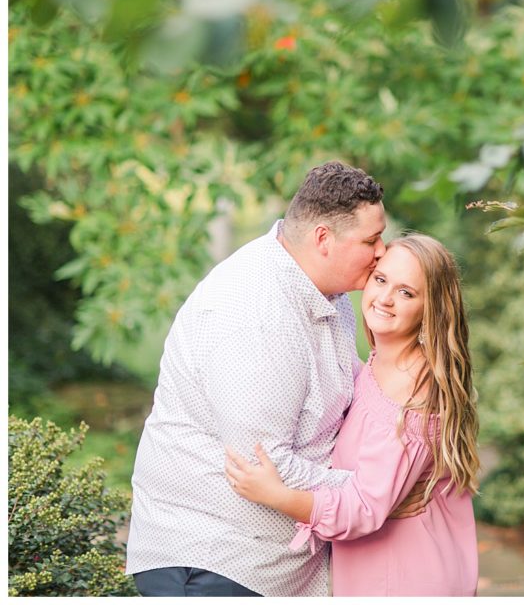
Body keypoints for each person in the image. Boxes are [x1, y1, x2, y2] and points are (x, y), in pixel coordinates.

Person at [126, 162, 424, 597]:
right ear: (324, 239)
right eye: (371, 240)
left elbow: (351, 402)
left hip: (273, 563)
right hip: (214, 563)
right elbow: (263, 464)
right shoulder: (255, 315)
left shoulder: (330, 292)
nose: (382, 251)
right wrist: (379, 491)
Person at [225, 234, 480, 596]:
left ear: (432, 309)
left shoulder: (412, 387)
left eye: (407, 293)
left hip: (403, 576)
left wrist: (277, 495)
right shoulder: (383, 364)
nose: (386, 299)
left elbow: (363, 506)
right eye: (381, 280)